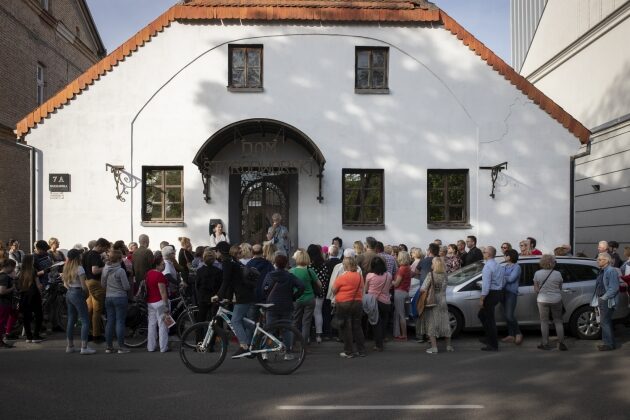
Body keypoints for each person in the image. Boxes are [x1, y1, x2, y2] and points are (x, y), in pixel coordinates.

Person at [215, 241, 256, 358]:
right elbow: (233, 282)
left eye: (216, 251)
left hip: (243, 296)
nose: (215, 254)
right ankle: (257, 333)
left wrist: (218, 295)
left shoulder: (227, 262)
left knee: (235, 321)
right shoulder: (233, 261)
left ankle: (244, 346)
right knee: (241, 320)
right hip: (246, 294)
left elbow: (226, 281)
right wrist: (227, 298)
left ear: (220, 252)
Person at [262, 251, 305, 353]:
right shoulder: (289, 276)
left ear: (275, 264)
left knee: (269, 330)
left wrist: (267, 298)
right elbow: (302, 286)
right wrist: (294, 297)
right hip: (286, 305)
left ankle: (264, 352)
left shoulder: (269, 275)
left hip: (272, 305)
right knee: (286, 329)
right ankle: (288, 352)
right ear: (286, 264)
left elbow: (263, 289)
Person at [61, 249, 95, 354]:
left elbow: (65, 284)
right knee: (85, 320)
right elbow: (84, 286)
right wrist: (86, 294)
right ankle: (84, 347)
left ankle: (70, 346)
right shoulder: (80, 268)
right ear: (77, 257)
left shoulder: (66, 267)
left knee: (71, 319)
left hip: (69, 293)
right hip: (77, 292)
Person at [332, 256, 365, 358]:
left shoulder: (342, 277)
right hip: (357, 303)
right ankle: (361, 350)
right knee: (357, 326)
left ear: (345, 266)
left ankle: (349, 351)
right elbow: (362, 288)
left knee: (346, 328)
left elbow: (333, 290)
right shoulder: (359, 276)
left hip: (343, 304)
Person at [533, 254, 567, 351]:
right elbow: (560, 287)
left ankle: (545, 343)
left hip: (542, 300)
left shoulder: (537, 273)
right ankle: (561, 343)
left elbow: (536, 290)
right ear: (552, 263)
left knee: (544, 322)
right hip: (556, 299)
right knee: (558, 321)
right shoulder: (558, 274)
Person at [102, 249, 131, 354]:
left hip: (108, 297)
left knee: (110, 322)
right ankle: (121, 347)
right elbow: (126, 286)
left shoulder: (106, 269)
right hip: (120, 297)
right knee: (120, 322)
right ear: (119, 259)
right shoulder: (120, 271)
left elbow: (103, 284)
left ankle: (109, 347)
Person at [422, 257, 453, 354]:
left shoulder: (431, 274)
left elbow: (423, 288)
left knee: (432, 323)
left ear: (434, 264)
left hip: (432, 301)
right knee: (445, 323)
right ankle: (448, 346)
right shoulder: (445, 275)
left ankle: (434, 347)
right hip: (443, 300)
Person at [290, 249, 321, 344]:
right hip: (310, 299)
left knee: (295, 322)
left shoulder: (292, 271)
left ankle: (291, 344)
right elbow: (319, 284)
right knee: (306, 323)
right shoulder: (309, 270)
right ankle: (304, 345)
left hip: (297, 299)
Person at [82, 238, 109, 342]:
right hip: (95, 283)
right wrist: (106, 267)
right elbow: (95, 270)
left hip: (87, 282)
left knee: (89, 310)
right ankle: (96, 335)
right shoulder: (95, 255)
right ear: (100, 245)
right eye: (105, 248)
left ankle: (88, 333)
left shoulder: (86, 254)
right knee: (97, 310)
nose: (104, 250)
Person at [478, 246, 504, 351]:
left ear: (488, 254)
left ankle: (493, 344)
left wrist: (482, 298)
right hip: (497, 292)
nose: (483, 253)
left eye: (484, 252)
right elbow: (502, 280)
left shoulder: (488, 267)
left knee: (489, 319)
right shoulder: (498, 265)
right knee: (481, 315)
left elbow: (486, 285)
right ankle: (489, 337)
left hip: (491, 293)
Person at [593, 252, 620, 351]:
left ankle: (609, 344)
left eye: (600, 259)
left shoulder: (611, 271)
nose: (598, 261)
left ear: (607, 260)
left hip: (607, 300)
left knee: (605, 322)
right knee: (605, 322)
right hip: (603, 299)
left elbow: (614, 288)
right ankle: (608, 343)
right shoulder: (602, 270)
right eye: (598, 259)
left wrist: (603, 297)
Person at [413, 243, 439, 343]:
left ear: (429, 251)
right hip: (436, 290)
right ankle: (431, 336)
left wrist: (422, 274)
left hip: (424, 289)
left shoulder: (424, 261)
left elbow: (415, 271)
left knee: (420, 310)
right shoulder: (440, 261)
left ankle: (420, 335)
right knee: (432, 314)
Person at [366, 256, 392, 351]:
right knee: (384, 323)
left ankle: (378, 344)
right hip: (386, 301)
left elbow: (365, 289)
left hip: (373, 302)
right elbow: (389, 287)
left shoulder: (370, 276)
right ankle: (383, 337)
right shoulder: (388, 275)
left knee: (376, 323)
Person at [145, 256, 170, 352]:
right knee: (163, 325)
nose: (164, 266)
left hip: (150, 302)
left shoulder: (149, 273)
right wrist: (166, 306)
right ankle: (163, 347)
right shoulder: (160, 275)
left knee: (151, 325)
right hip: (160, 302)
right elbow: (163, 292)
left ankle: (150, 347)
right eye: (162, 264)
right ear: (157, 265)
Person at [18, 254, 45, 343]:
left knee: (26, 316)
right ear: (30, 261)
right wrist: (41, 291)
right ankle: (36, 335)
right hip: (34, 294)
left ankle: (28, 336)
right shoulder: (33, 270)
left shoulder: (21, 271)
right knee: (38, 315)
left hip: (24, 294)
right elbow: (38, 284)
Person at [306, 244, 330, 344]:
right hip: (320, 292)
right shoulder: (323, 265)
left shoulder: (308, 266)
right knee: (318, 313)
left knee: (307, 315)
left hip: (309, 292)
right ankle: (319, 335)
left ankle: (306, 336)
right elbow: (325, 279)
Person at [501, 249, 523, 345]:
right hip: (503, 292)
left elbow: (511, 279)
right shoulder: (505, 267)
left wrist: (502, 277)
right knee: (506, 315)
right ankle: (511, 335)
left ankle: (518, 333)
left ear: (510, 256)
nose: (504, 257)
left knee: (510, 315)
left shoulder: (517, 267)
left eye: (505, 255)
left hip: (511, 292)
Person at [195, 249, 222, 324]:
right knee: (216, 318)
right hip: (215, 297)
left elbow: (197, 284)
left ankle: (200, 335)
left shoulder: (199, 271)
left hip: (203, 297)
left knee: (201, 318)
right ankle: (217, 335)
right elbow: (220, 285)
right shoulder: (218, 271)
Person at [392, 251, 412, 341]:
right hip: (405, 291)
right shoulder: (408, 267)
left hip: (399, 292)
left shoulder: (402, 269)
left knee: (401, 314)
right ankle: (397, 332)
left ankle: (404, 335)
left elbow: (396, 284)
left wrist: (390, 281)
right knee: (400, 313)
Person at [0, 259, 18, 348]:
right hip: (3, 303)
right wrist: (12, 288)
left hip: (4, 303)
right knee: (2, 322)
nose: (13, 269)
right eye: (13, 267)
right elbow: (2, 291)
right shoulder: (4, 277)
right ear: (8, 266)